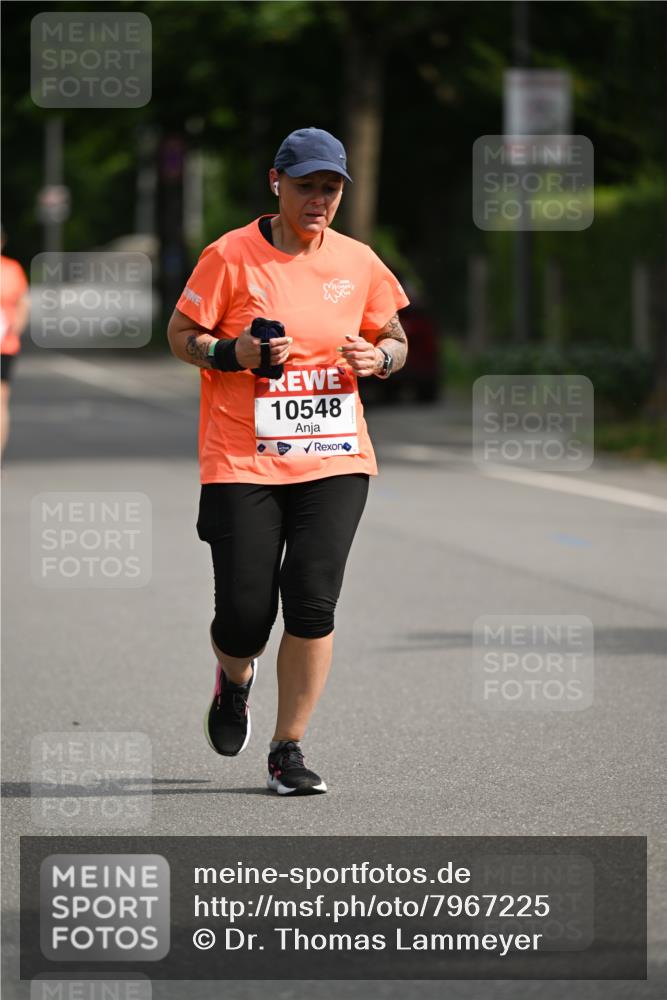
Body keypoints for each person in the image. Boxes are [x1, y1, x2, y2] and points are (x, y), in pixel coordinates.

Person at [167, 127, 409, 795]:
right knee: (245, 617)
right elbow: (181, 335)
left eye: (330, 188)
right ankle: (234, 677)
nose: (319, 200)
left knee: (312, 597)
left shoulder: (358, 261)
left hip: (334, 456)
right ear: (277, 182)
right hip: (241, 458)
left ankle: (287, 749)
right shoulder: (230, 255)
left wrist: (380, 358)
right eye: (306, 186)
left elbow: (393, 336)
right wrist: (231, 353)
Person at [1, 229, 30, 456]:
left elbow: (23, 303)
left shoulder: (12, 269)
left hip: (5, 345)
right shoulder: (12, 269)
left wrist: (15, 328)